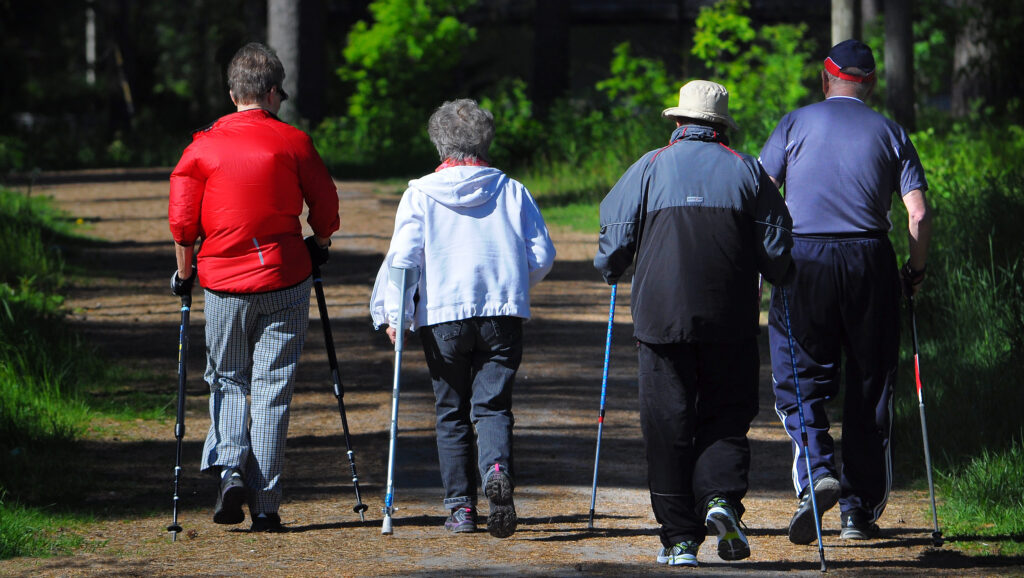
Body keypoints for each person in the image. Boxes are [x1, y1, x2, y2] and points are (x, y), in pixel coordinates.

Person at [594, 80, 794, 567]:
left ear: (678, 123)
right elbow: (777, 252)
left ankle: (680, 539)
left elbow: (615, 238)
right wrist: (783, 275)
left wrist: (610, 266)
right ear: (721, 128)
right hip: (730, 318)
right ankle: (721, 498)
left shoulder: (650, 166)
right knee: (725, 414)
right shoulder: (747, 169)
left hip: (661, 322)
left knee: (667, 425)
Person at [759, 39, 932, 544]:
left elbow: (761, 190)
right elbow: (917, 214)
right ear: (871, 83)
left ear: (825, 77)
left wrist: (768, 257)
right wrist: (914, 273)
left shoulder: (793, 124)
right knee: (870, 381)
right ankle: (857, 512)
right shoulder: (893, 132)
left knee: (799, 371)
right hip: (869, 260)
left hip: (804, 260)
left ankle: (816, 475)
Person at [167, 42, 340, 533]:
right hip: (285, 278)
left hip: (223, 283)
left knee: (227, 378)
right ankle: (265, 504)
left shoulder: (201, 147)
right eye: (280, 94)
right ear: (269, 93)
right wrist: (319, 242)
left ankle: (229, 471)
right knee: (272, 387)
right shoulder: (294, 142)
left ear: (231, 93)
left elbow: (183, 223)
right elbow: (324, 205)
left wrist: (185, 273)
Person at [370, 98, 556, 538]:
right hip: (502, 313)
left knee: (451, 410)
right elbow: (542, 255)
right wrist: (512, 282)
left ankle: (460, 510)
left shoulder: (420, 194)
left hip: (444, 316)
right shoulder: (512, 190)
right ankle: (495, 469)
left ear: (439, 144)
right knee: (492, 406)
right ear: (486, 140)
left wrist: (397, 314)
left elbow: (404, 259)